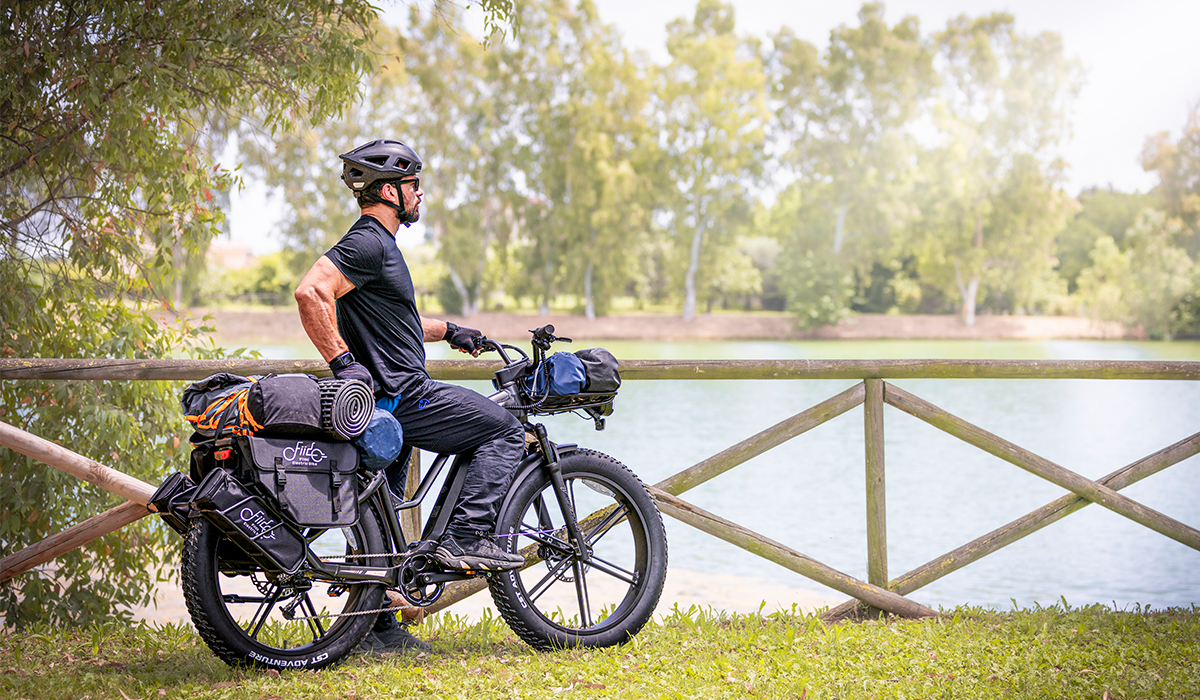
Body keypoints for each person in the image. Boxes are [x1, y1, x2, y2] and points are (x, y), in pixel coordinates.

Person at [294, 138, 525, 654]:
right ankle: (465, 537)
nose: (420, 193)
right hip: (405, 396)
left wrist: (452, 331)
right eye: (414, 184)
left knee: (382, 517)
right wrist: (343, 364)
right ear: (389, 191)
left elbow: (395, 323)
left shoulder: (380, 250)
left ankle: (375, 629)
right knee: (506, 431)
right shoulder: (370, 243)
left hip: (385, 409)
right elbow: (310, 291)